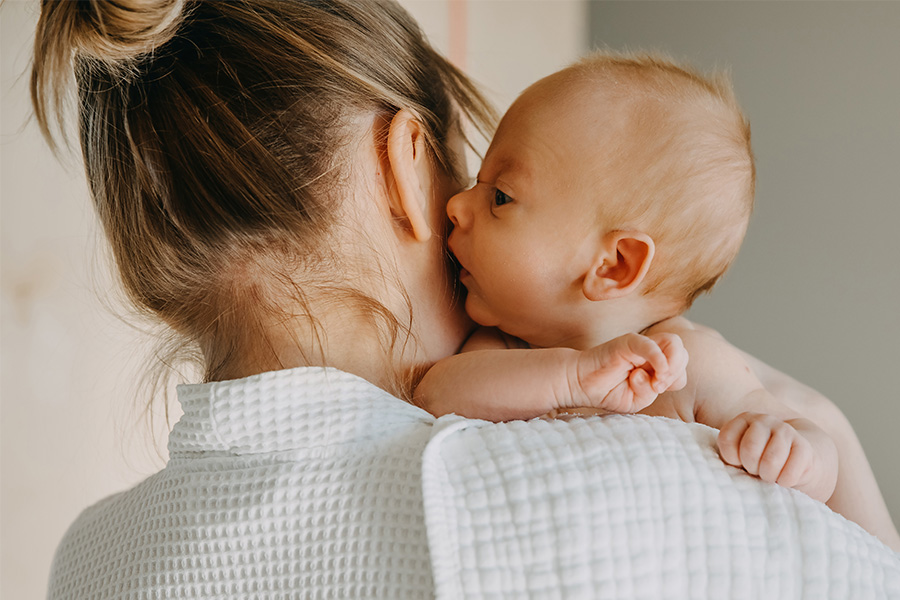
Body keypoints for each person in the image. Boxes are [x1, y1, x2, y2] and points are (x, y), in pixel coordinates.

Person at [32, 0, 898, 597]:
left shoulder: (88, 565)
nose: (461, 208)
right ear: (404, 166)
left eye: (497, 193)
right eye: (465, 167)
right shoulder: (662, 491)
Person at [415, 51, 900, 551]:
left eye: (500, 197)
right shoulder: (507, 345)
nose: (456, 205)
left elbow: (811, 445)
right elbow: (438, 394)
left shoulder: (687, 365)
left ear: (614, 266)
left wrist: (795, 453)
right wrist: (573, 376)